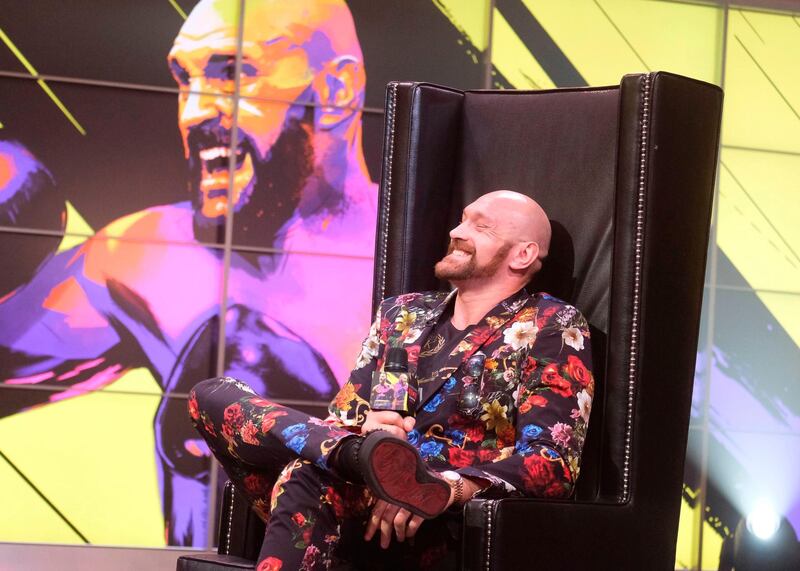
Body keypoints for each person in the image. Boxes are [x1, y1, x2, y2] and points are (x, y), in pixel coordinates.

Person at [0, 0, 375, 546]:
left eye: (234, 73)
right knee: (232, 370)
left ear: (337, 90)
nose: (194, 112)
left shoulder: (423, 264)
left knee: (254, 361)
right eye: (184, 78)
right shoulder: (143, 256)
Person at [190, 190, 595, 569]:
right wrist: (366, 434)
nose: (457, 232)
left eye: (480, 226)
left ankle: (375, 466)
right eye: (461, 221)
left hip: (432, 520)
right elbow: (342, 418)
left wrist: (439, 486)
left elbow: (553, 462)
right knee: (209, 396)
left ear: (523, 254)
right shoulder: (401, 313)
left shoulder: (551, 324)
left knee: (305, 476)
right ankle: (359, 456)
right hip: (358, 483)